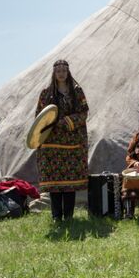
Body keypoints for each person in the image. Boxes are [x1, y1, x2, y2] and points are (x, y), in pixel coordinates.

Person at [35, 59, 89, 221]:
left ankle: (69, 216)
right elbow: (39, 116)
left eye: (64, 70)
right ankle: (56, 216)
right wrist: (51, 123)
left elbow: (84, 113)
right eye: (58, 71)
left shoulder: (77, 92)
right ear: (54, 73)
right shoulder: (46, 93)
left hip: (72, 144)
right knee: (55, 183)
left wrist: (65, 122)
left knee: (69, 182)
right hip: (51, 144)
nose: (61, 73)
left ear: (68, 72)